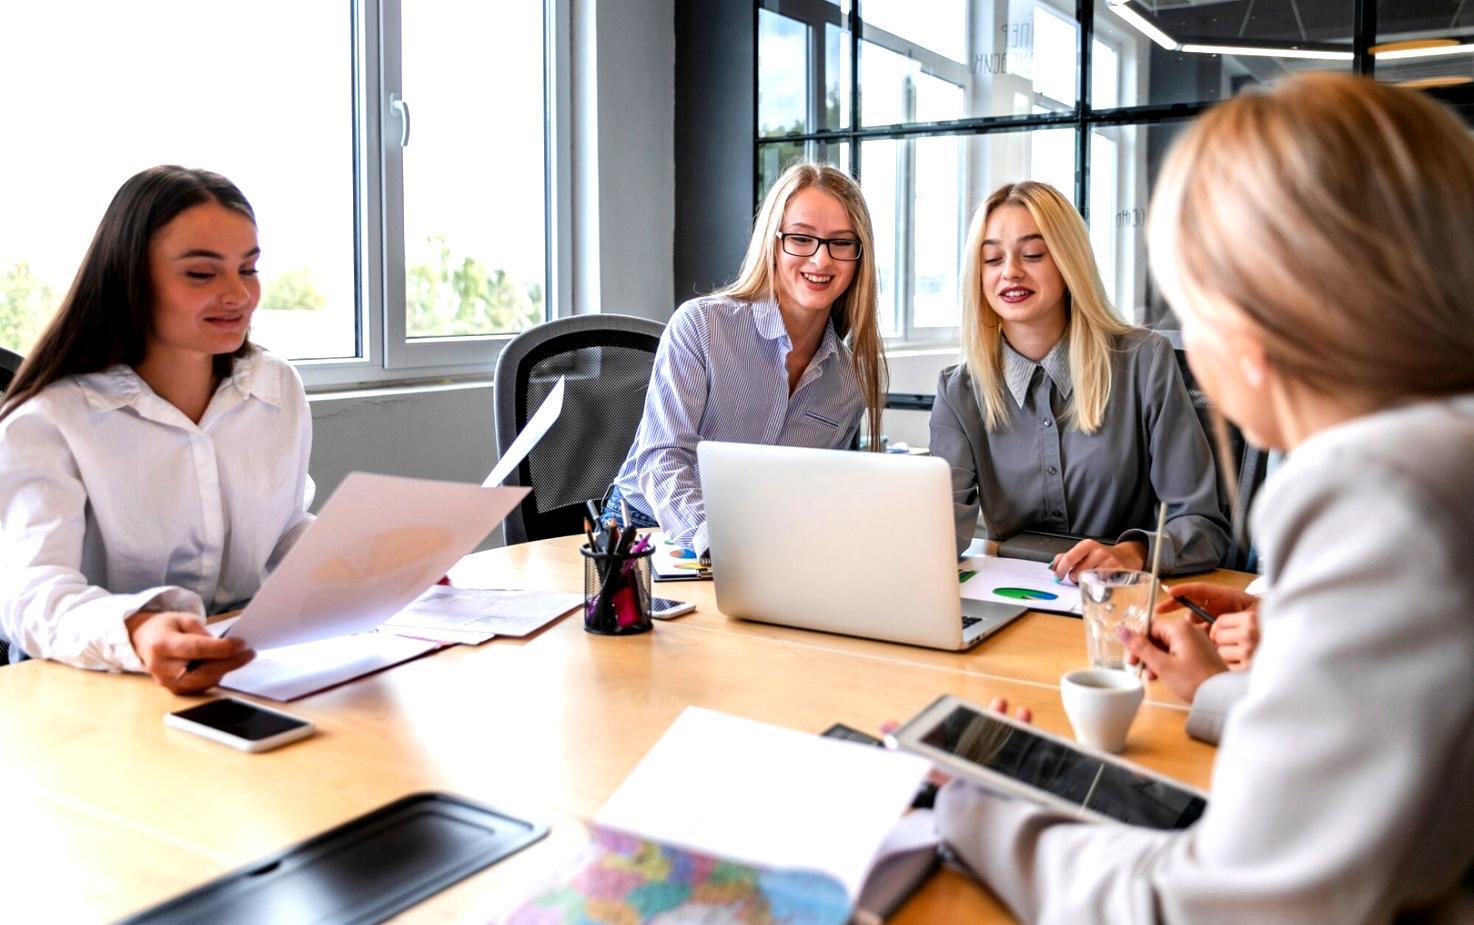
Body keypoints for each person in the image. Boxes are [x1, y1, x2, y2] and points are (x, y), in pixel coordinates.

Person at [933, 73, 1474, 921]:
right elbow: (1398, 742)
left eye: (1192, 287)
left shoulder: (1378, 496)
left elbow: (1222, 905)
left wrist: (981, 811)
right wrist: (1225, 686)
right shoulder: (1441, 457)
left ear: (1270, 303)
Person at [0, 166, 314, 694]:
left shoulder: (276, 387)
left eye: (249, 268)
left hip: (242, 672)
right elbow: (30, 593)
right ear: (129, 279)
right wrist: (137, 631)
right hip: (91, 692)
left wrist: (374, 564)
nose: (238, 294)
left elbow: (283, 530)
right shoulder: (50, 419)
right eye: (201, 274)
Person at [930, 181, 1229, 579]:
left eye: (1033, 254)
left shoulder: (1142, 362)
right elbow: (937, 536)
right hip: (1014, 599)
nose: (1011, 273)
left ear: (1069, 261)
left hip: (1122, 601)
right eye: (992, 260)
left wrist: (1131, 553)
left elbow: (1202, 526)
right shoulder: (959, 392)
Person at [606, 162, 885, 556]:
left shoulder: (849, 380)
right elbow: (663, 458)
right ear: (772, 243)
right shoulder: (702, 326)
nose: (822, 261)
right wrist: (719, 544)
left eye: (841, 243)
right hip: (652, 530)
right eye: (801, 239)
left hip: (757, 544)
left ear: (859, 257)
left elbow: (813, 494)